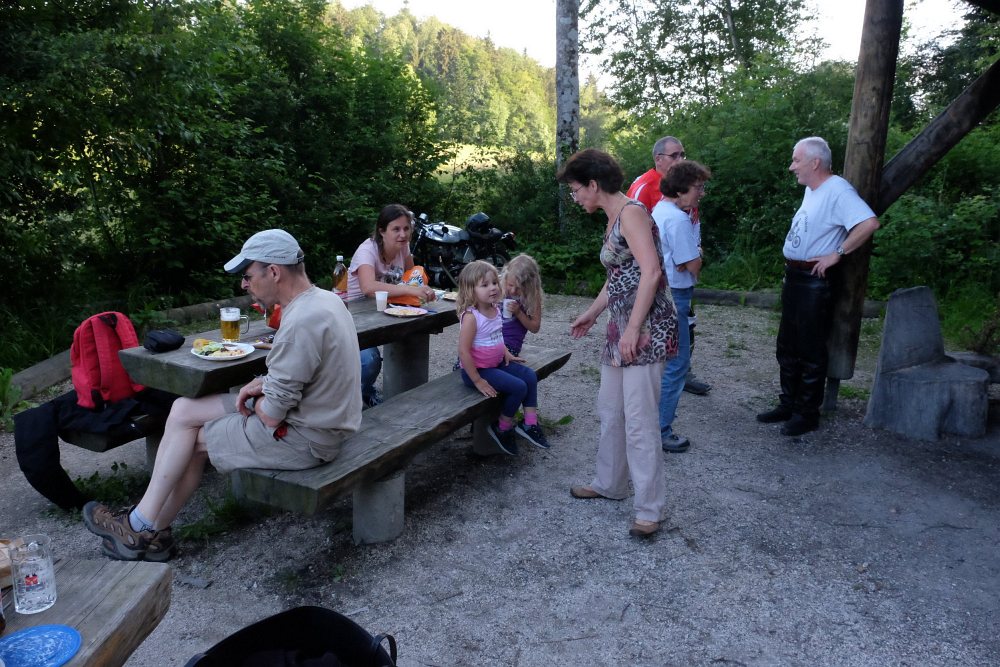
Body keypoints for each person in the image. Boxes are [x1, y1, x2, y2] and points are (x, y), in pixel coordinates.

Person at [82, 229, 362, 561]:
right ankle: (149, 526)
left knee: (196, 441)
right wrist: (263, 383)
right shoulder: (325, 299)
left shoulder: (302, 320)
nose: (244, 285)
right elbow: (306, 374)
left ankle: (142, 527)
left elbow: (272, 414)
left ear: (274, 271)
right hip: (318, 418)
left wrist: (262, 396)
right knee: (184, 409)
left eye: (248, 276)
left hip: (308, 438)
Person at [561, 148, 678, 539]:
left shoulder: (631, 213)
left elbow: (651, 272)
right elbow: (619, 276)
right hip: (621, 325)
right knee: (611, 409)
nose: (575, 197)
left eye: (576, 189)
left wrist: (633, 329)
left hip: (645, 329)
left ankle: (649, 509)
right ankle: (610, 483)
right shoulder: (615, 216)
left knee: (640, 420)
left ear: (594, 185)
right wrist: (594, 313)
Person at [757, 136, 880, 436]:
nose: (791, 167)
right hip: (797, 277)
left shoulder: (837, 189)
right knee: (787, 345)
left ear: (815, 163)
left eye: (796, 160)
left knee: (810, 348)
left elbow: (868, 223)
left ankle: (806, 413)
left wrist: (837, 253)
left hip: (815, 281)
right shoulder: (813, 190)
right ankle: (789, 404)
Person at [627, 135, 711, 397]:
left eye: (682, 154)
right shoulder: (644, 186)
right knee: (664, 330)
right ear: (658, 159)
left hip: (681, 259)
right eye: (674, 155)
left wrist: (692, 250)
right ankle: (668, 378)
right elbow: (631, 231)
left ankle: (681, 374)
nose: (680, 159)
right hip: (664, 272)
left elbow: (691, 222)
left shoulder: (685, 186)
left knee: (686, 326)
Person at [346, 204, 437, 407]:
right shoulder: (367, 250)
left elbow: (413, 277)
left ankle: (392, 399)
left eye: (406, 229)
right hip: (355, 317)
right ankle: (351, 400)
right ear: (382, 231)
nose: (402, 234)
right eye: (396, 229)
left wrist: (424, 289)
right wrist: (410, 290)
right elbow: (368, 287)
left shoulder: (403, 248)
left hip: (384, 313)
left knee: (410, 335)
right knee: (369, 361)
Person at [456, 260, 549, 456]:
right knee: (519, 387)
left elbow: (497, 336)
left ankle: (530, 423)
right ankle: (502, 427)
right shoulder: (472, 317)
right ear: (470, 291)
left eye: (494, 283)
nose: (493, 288)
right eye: (484, 285)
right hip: (479, 370)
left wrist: (505, 353)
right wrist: (478, 380)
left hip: (497, 361)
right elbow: (464, 352)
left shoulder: (495, 309)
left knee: (530, 376)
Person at [652, 160, 712, 453]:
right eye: (698, 187)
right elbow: (693, 266)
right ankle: (660, 430)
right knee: (677, 364)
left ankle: (651, 424)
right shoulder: (677, 219)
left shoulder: (659, 212)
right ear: (681, 188)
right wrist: (698, 253)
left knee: (662, 363)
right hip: (676, 294)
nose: (701, 193)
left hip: (662, 293)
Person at [499, 254, 544, 356]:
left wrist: (519, 313)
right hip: (490, 341)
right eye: (510, 285)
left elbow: (535, 328)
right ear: (505, 277)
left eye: (519, 288)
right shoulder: (500, 287)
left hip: (510, 345)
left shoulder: (533, 296)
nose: (513, 291)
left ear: (530, 285)